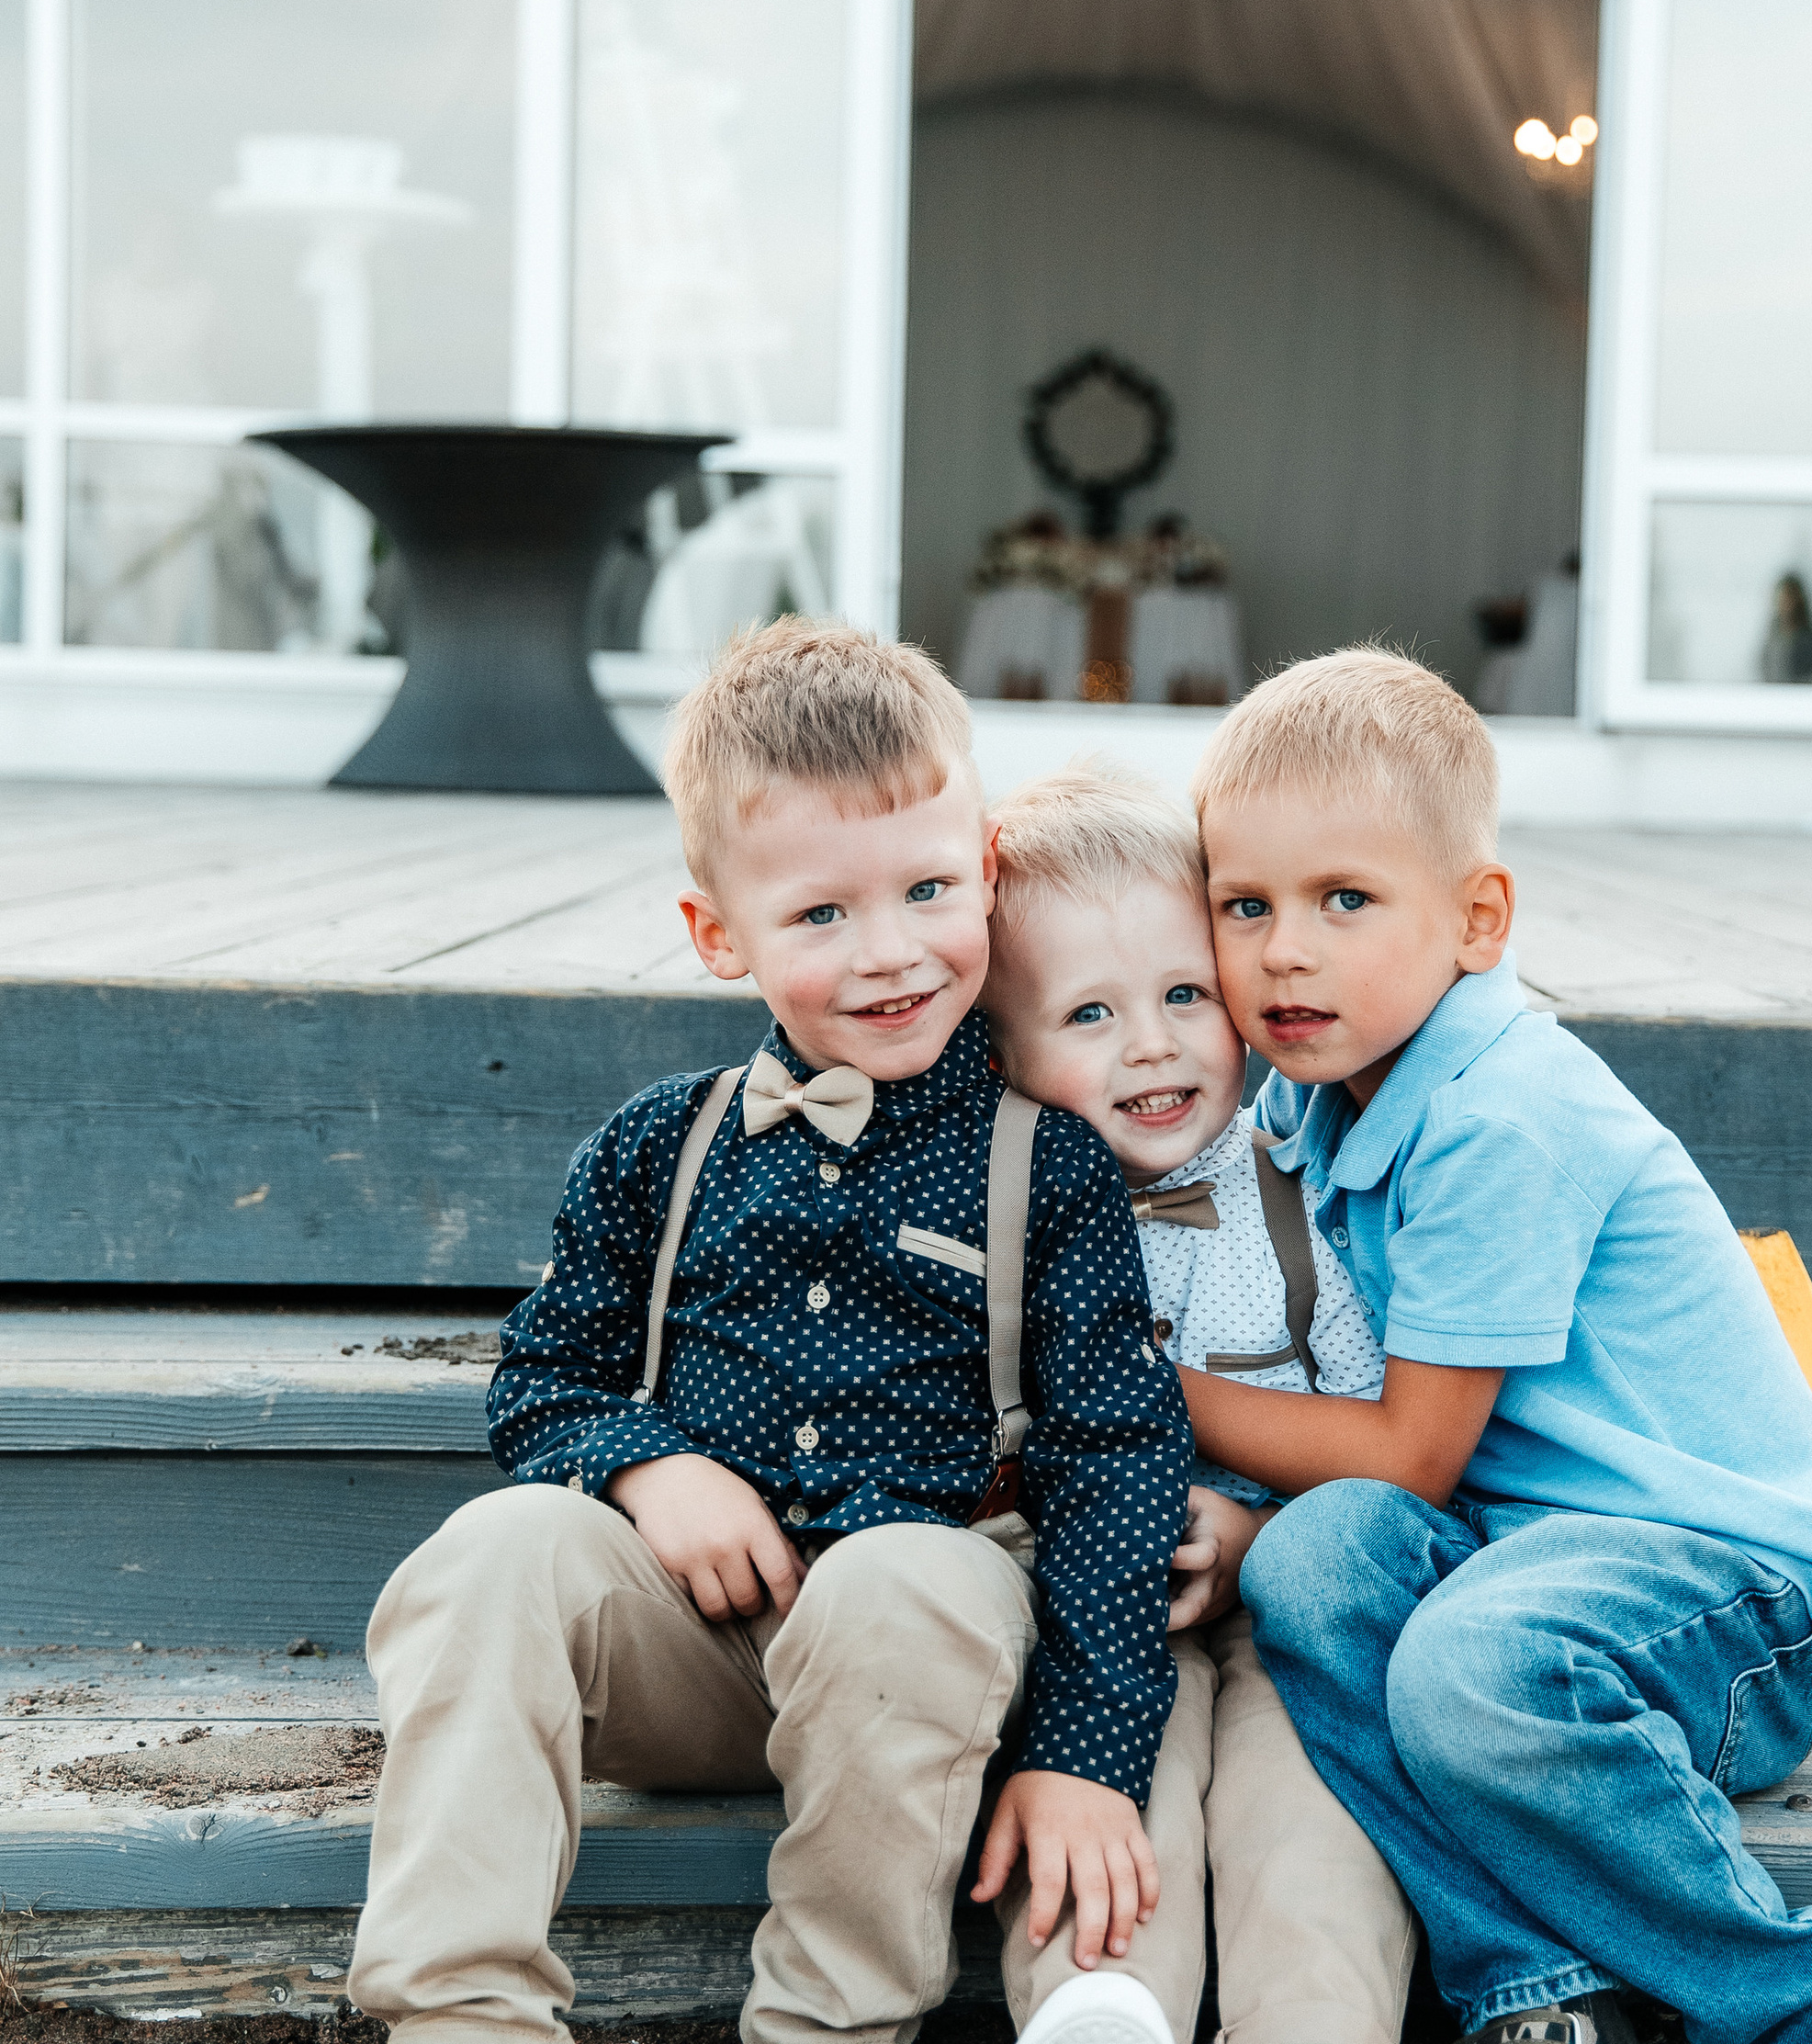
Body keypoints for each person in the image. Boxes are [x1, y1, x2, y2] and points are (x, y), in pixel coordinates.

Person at [348, 618, 1190, 2044]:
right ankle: (461, 2015)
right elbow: (544, 1375)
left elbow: (1116, 1459)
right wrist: (646, 1466)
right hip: (699, 1649)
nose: (890, 953)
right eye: (820, 916)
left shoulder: (1044, 1164)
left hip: (924, 1649)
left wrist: (1088, 1750)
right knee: (494, 1550)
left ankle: (825, 2026)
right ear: (716, 934)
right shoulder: (657, 1149)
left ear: (985, 867)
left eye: (928, 889)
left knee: (903, 1588)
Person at [1176, 648, 1812, 2044]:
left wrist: (1153, 1388)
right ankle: (1541, 1989)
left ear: (1478, 919)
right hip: (1520, 1565)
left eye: (1344, 900)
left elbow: (1409, 1454)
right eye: (1243, 905)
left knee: (1468, 1665)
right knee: (1314, 1562)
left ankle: (1808, 2015)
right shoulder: (1318, 1098)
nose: (1283, 952)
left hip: (1733, 1606)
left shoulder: (1501, 1115)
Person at [981, 762, 1418, 2044]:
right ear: (1001, 1055)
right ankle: (1101, 2005)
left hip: (1293, 1594)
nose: (1153, 1044)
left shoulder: (1303, 1184)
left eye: (1185, 995)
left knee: (1313, 1791)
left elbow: (1383, 1438)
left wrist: (1257, 1532)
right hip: (1099, 1610)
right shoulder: (998, 1221)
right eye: (1090, 1013)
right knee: (1114, 1776)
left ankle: (1315, 2020)